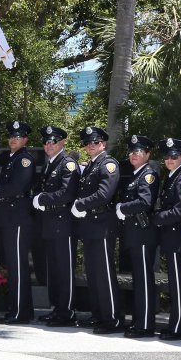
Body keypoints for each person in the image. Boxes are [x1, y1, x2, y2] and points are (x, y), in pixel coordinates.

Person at [71, 126, 123, 333]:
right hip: (91, 225)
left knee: (104, 273)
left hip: (102, 224)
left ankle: (112, 319)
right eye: (87, 143)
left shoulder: (108, 164)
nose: (90, 146)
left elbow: (104, 194)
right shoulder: (93, 165)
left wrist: (80, 204)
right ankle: (98, 314)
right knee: (92, 272)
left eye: (94, 142)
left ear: (104, 143)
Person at [32, 126, 80, 327]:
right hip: (50, 224)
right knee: (53, 269)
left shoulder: (67, 164)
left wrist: (42, 198)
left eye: (53, 141)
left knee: (64, 269)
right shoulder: (51, 164)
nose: (49, 145)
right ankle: (57, 308)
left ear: (62, 143)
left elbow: (67, 194)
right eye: (46, 142)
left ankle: (67, 311)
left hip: (64, 224)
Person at [114, 135, 161, 338]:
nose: (134, 155)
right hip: (133, 234)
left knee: (143, 280)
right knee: (138, 280)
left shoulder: (148, 175)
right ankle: (138, 320)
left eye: (139, 151)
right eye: (132, 151)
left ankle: (145, 325)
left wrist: (122, 208)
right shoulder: (135, 175)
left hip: (143, 234)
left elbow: (145, 201)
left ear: (148, 155)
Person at [151, 138, 181, 340]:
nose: (170, 159)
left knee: (179, 285)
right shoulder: (172, 177)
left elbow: (180, 210)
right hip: (171, 238)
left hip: (178, 237)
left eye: (174, 156)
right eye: (167, 156)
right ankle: (176, 325)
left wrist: (157, 218)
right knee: (175, 284)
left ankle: (180, 328)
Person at [0, 121, 36, 324]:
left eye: (17, 137)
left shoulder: (24, 160)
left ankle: (20, 312)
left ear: (25, 139)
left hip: (18, 217)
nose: (13, 140)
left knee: (18, 266)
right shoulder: (11, 159)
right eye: (11, 137)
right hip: (8, 217)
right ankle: (17, 309)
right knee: (12, 265)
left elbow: (18, 186)